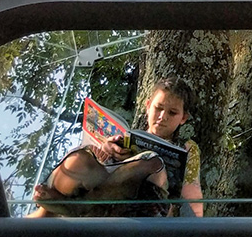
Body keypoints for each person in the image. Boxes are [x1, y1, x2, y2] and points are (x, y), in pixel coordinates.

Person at [31, 76, 203, 218]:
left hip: (145, 205)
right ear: (148, 106)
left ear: (183, 118)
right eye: (158, 108)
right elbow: (94, 168)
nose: (162, 116)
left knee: (152, 160)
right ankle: (49, 212)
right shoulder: (125, 137)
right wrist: (105, 151)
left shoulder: (187, 148)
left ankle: (73, 208)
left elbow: (192, 191)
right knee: (78, 157)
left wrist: (196, 231)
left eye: (172, 113)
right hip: (106, 196)